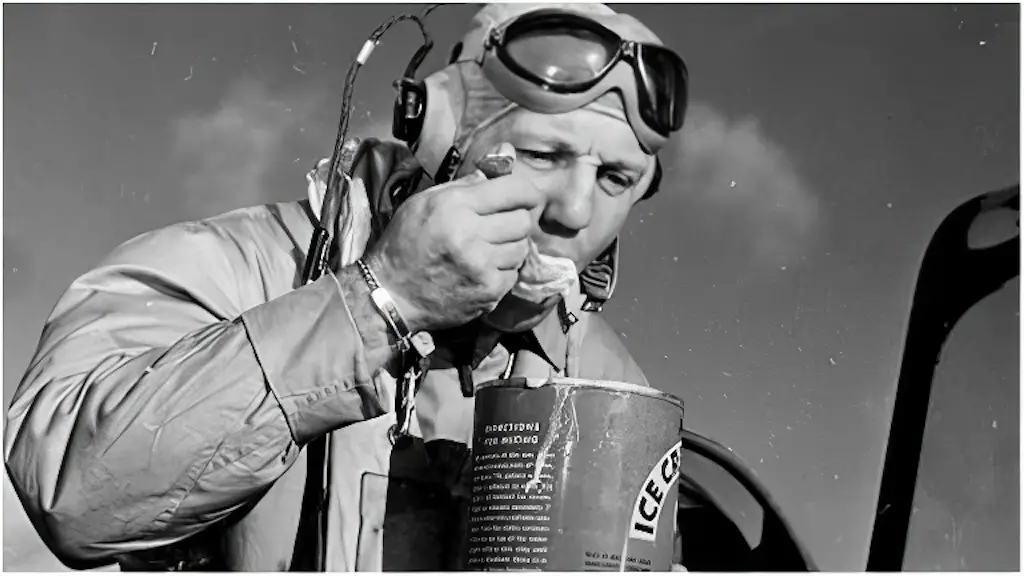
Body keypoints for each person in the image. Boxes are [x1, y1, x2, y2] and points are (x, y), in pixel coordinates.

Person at [4, 2, 688, 571]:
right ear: (439, 137)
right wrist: (381, 302)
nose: (574, 209)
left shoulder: (608, 379)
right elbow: (74, 493)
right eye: (544, 155)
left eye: (615, 179)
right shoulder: (241, 268)